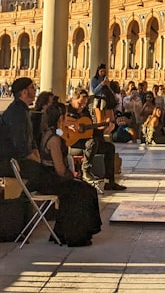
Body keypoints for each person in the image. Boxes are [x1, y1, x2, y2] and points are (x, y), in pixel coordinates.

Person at [36, 102, 102, 246]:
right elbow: (60, 169)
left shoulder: (51, 133)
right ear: (61, 118)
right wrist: (73, 177)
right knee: (83, 191)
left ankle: (66, 231)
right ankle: (76, 234)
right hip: (51, 180)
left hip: (52, 178)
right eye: (65, 116)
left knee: (86, 189)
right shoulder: (53, 140)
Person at [67, 88, 126, 191]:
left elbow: (89, 129)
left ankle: (109, 181)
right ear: (73, 99)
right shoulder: (66, 110)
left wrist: (105, 129)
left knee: (109, 147)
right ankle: (86, 170)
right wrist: (69, 125)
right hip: (72, 145)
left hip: (87, 144)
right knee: (92, 143)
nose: (82, 106)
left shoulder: (86, 111)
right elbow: (58, 125)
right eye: (80, 103)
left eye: (84, 104)